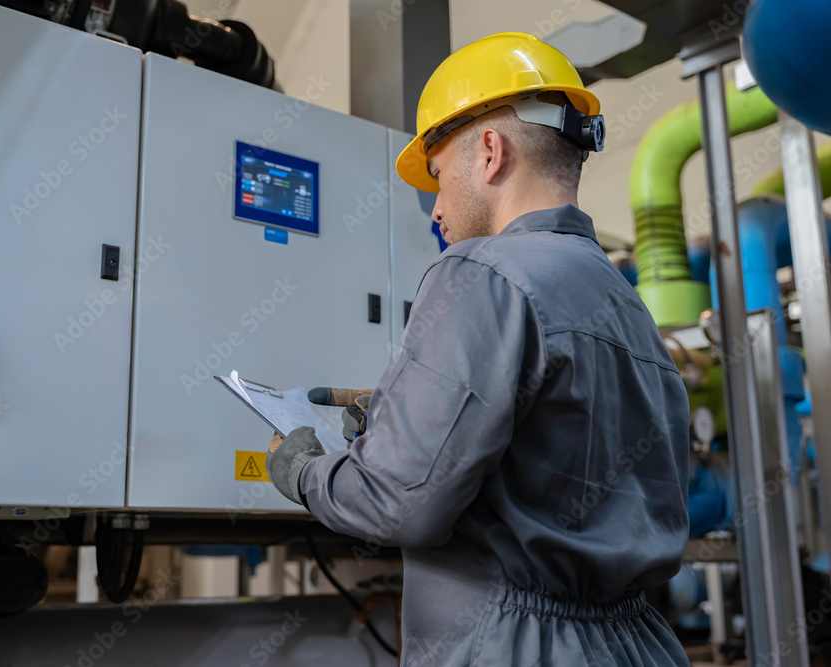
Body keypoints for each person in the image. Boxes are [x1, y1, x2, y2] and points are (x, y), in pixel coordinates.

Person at [267, 32, 690, 666]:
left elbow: (399, 502)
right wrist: (400, 418)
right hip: (639, 644)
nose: (434, 210)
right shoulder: (625, 304)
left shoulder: (482, 271)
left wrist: (305, 470)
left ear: (489, 151)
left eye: (436, 177)